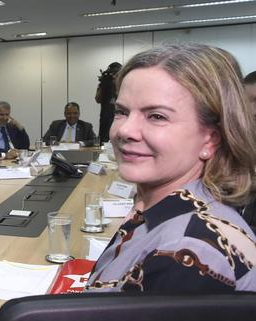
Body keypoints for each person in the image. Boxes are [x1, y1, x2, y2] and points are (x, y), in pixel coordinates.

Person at [85, 44, 256, 292]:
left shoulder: (185, 253)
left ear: (211, 138)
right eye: (121, 112)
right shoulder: (166, 209)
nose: (124, 130)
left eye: (156, 116)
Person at [95, 62, 122, 143]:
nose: (113, 76)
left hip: (120, 118)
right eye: (112, 74)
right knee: (104, 141)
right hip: (106, 118)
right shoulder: (104, 84)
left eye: (116, 74)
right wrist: (103, 84)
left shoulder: (123, 85)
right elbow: (98, 99)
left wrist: (116, 84)